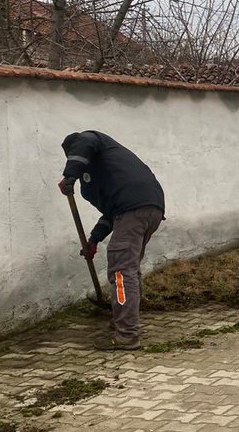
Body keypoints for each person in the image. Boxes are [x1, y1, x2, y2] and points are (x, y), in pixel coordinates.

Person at [58, 132, 165, 350]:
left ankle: (127, 334)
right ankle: (125, 321)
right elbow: (111, 215)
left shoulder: (92, 139)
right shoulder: (104, 176)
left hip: (134, 210)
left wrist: (70, 175)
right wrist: (94, 240)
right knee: (129, 270)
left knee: (121, 271)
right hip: (150, 209)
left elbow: (85, 141)